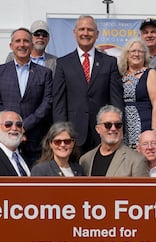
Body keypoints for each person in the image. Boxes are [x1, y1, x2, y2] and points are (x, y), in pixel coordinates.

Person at [53, 15, 124, 153]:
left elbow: (116, 100)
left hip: (103, 132)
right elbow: (58, 103)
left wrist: (117, 128)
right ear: (75, 33)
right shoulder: (63, 63)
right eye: (82, 29)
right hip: (73, 133)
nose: (85, 33)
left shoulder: (109, 62)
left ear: (97, 34)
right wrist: (61, 131)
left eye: (90, 30)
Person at [0, 27, 52, 166]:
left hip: (34, 141)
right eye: (18, 41)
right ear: (11, 46)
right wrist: (10, 126)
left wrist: (24, 126)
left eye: (26, 41)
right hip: (5, 140)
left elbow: (46, 103)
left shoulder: (44, 73)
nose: (22, 45)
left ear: (32, 44)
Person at [79, 105, 148, 177]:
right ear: (98, 129)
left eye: (118, 125)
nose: (113, 128)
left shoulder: (137, 160)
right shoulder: (85, 160)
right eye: (108, 125)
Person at [118, 39, 156, 147]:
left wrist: (155, 132)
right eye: (133, 51)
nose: (136, 54)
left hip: (144, 125)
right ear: (126, 55)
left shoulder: (150, 73)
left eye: (140, 51)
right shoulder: (120, 75)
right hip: (123, 127)